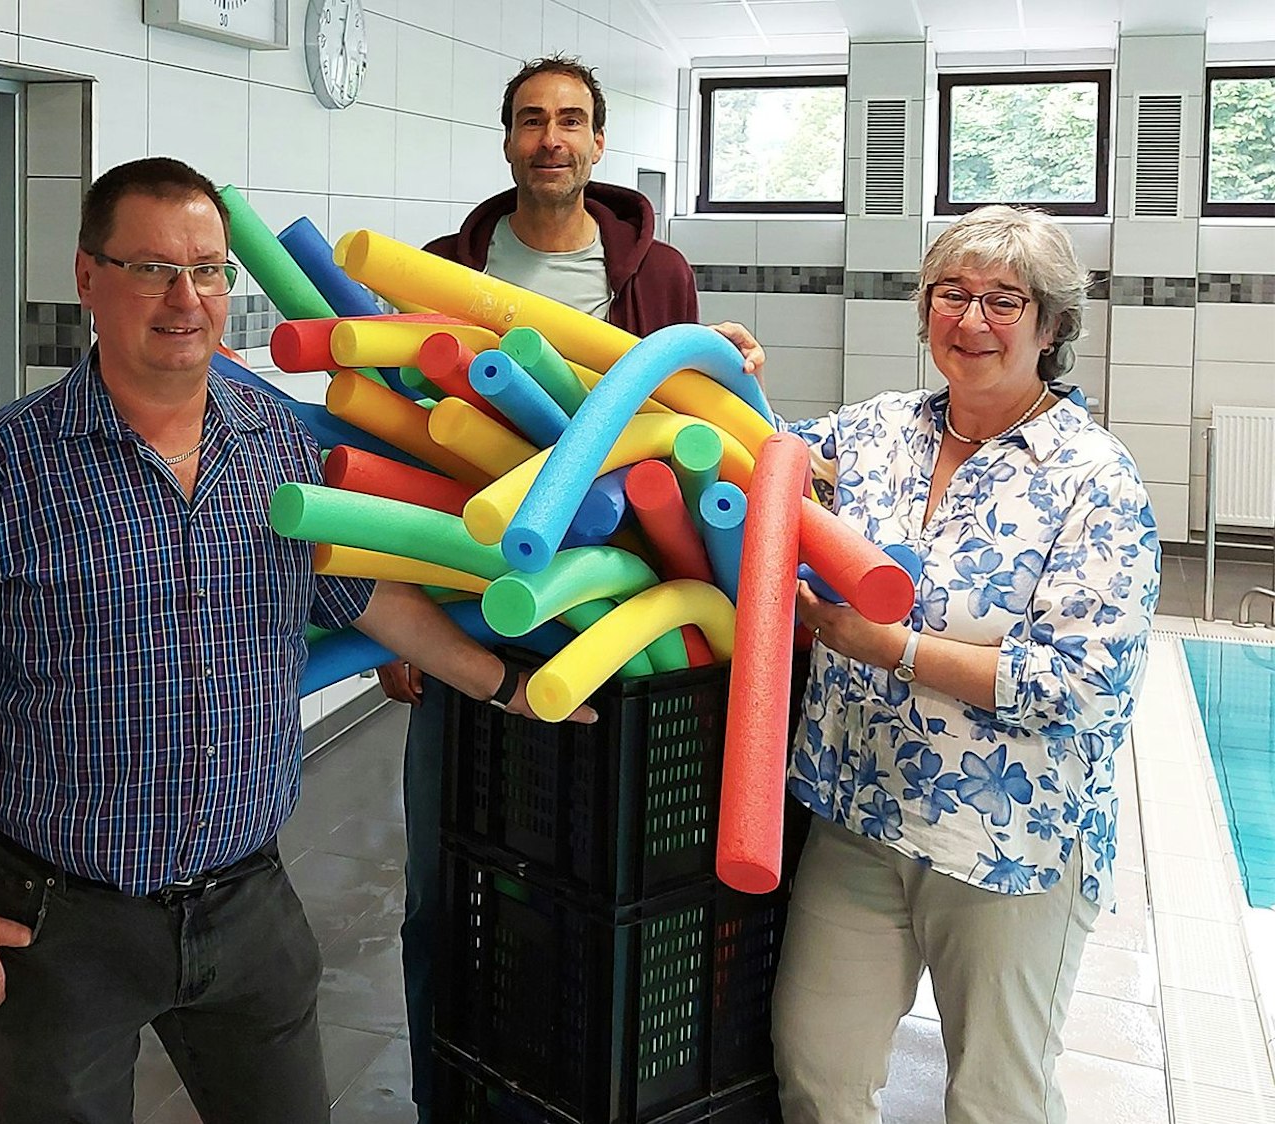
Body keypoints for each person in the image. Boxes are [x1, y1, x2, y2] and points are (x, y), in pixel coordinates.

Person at [0, 156, 586, 1124]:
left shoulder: (276, 442)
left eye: (207, 269)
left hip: (247, 905)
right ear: (86, 277)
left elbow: (360, 592)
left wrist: (497, 682)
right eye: (149, 268)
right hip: (62, 925)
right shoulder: (5, 469)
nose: (184, 297)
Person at [382, 55, 723, 1121]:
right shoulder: (446, 268)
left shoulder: (655, 274)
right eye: (530, 121)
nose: (549, 139)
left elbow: (690, 427)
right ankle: (453, 1088)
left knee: (593, 869)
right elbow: (391, 444)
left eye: (569, 121)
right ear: (505, 140)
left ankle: (583, 1081)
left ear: (596, 143)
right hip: (459, 603)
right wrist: (400, 623)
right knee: (448, 878)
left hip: (613, 611)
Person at [766, 205, 1159, 1123]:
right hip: (858, 814)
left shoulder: (1093, 478)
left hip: (1006, 846)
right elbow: (764, 462)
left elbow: (1084, 686)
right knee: (816, 1075)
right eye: (951, 295)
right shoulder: (875, 433)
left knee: (996, 1099)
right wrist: (734, 383)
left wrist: (894, 651)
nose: (971, 320)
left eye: (1003, 301)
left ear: (1051, 326)